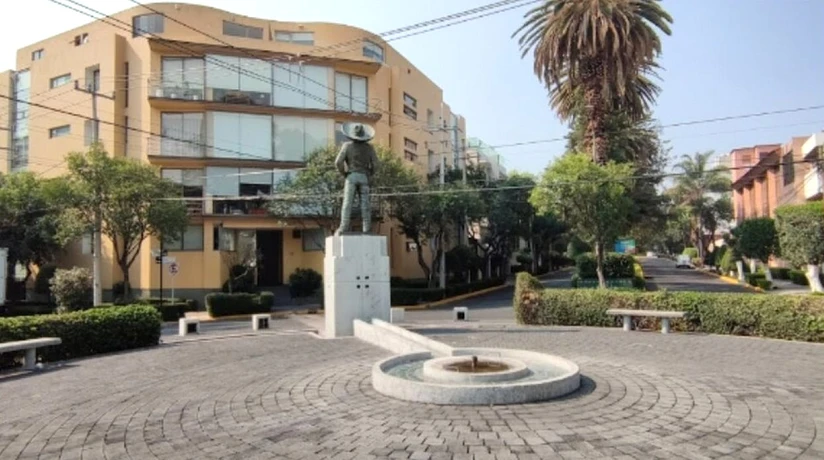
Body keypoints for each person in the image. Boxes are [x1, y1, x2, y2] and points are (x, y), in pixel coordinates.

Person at [335, 122, 379, 234]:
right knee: (365, 204)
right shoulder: (369, 148)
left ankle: (343, 227)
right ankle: (367, 228)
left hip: (351, 177)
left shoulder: (347, 146)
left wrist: (344, 173)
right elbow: (376, 164)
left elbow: (338, 162)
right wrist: (370, 174)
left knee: (347, 203)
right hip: (364, 177)